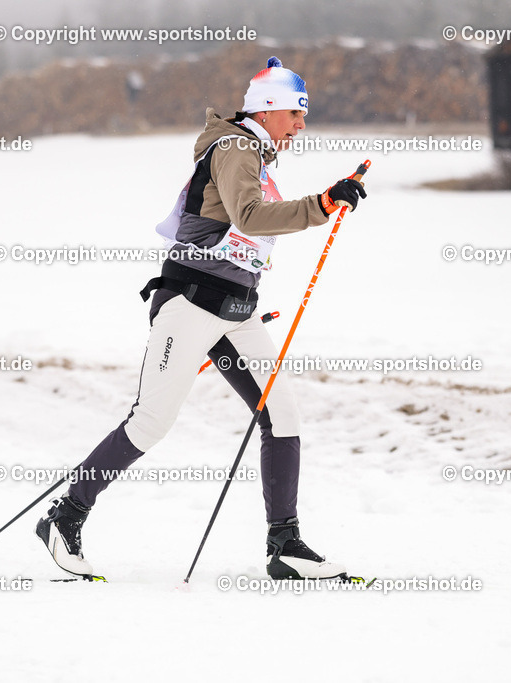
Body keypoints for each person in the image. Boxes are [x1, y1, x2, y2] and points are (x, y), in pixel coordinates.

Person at [35, 57, 367, 580]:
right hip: (190, 304)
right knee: (151, 422)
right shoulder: (237, 147)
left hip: (238, 311)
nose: (301, 125)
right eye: (295, 115)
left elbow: (244, 238)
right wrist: (323, 203)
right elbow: (249, 216)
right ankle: (65, 516)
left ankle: (284, 545)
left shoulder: (257, 154)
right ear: (268, 108)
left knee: (283, 416)